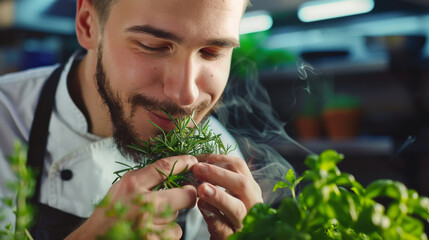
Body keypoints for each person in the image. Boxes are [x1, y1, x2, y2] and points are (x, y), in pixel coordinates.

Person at [0, 0, 269, 239]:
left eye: (211, 52)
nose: (185, 95)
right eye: (152, 46)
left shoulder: (220, 149)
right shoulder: (6, 116)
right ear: (88, 24)